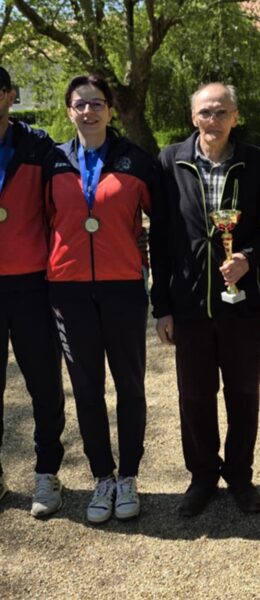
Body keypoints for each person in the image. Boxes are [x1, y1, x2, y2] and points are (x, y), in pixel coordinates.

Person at [150, 83, 260, 516]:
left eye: (222, 112)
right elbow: (160, 239)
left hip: (243, 303)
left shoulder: (257, 163)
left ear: (235, 117)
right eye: (206, 112)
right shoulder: (170, 161)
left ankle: (240, 475)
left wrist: (248, 257)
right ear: (193, 117)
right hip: (189, 304)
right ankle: (202, 477)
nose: (213, 120)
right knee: (195, 396)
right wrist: (162, 306)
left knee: (243, 392)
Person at [44, 74, 153, 524]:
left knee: (130, 384)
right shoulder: (53, 160)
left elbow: (162, 221)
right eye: (80, 104)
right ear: (69, 110)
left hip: (123, 288)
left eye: (96, 103)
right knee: (87, 388)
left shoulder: (135, 159)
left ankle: (128, 476)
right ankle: (102, 477)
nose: (88, 111)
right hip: (68, 291)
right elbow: (42, 221)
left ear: (109, 109)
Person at [0, 66, 65, 518]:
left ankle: (47, 472)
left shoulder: (39, 147)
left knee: (43, 384)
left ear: (8, 95)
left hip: (32, 285)